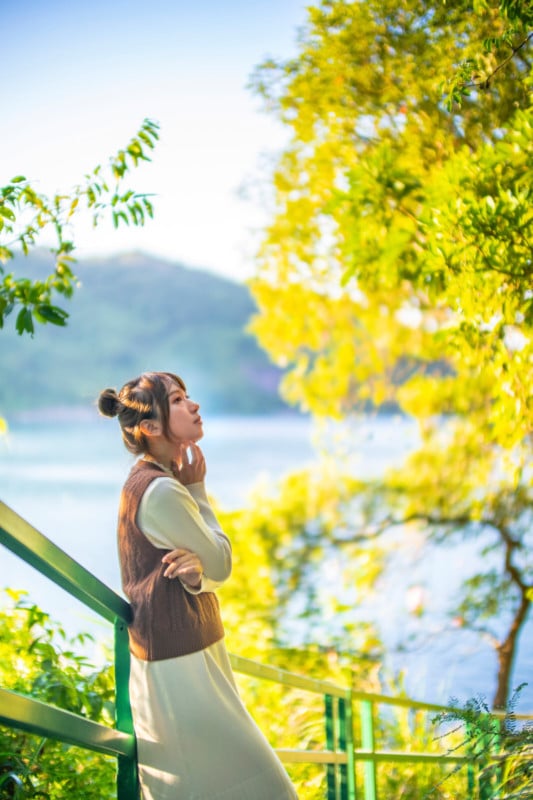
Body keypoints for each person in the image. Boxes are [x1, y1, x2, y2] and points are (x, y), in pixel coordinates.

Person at [98, 371, 298, 800]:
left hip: (188, 652)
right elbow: (222, 564)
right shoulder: (163, 491)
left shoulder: (150, 479)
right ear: (150, 428)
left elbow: (205, 569)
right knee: (269, 789)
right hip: (180, 668)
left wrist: (197, 577)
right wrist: (200, 492)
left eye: (188, 396)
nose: (194, 405)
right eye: (177, 400)